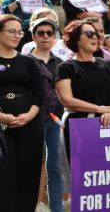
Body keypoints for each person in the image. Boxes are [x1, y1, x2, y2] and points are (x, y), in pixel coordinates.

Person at [55, 20, 110, 159]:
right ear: (76, 38)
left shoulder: (108, 64)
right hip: (80, 127)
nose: (95, 37)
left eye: (96, 34)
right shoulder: (65, 67)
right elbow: (67, 100)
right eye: (89, 33)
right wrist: (101, 109)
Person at [0, 15, 45, 212]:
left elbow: (39, 93)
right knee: (5, 176)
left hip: (29, 125)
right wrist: (2, 118)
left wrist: (29, 115)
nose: (17, 35)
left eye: (19, 32)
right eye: (12, 31)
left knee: (29, 173)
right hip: (2, 129)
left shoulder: (28, 62)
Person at [28, 18, 64, 212]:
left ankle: (56, 208)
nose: (45, 36)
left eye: (49, 33)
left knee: (55, 168)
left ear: (54, 37)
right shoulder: (25, 61)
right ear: (33, 36)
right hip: (31, 119)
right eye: (41, 33)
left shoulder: (60, 63)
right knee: (31, 167)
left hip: (55, 119)